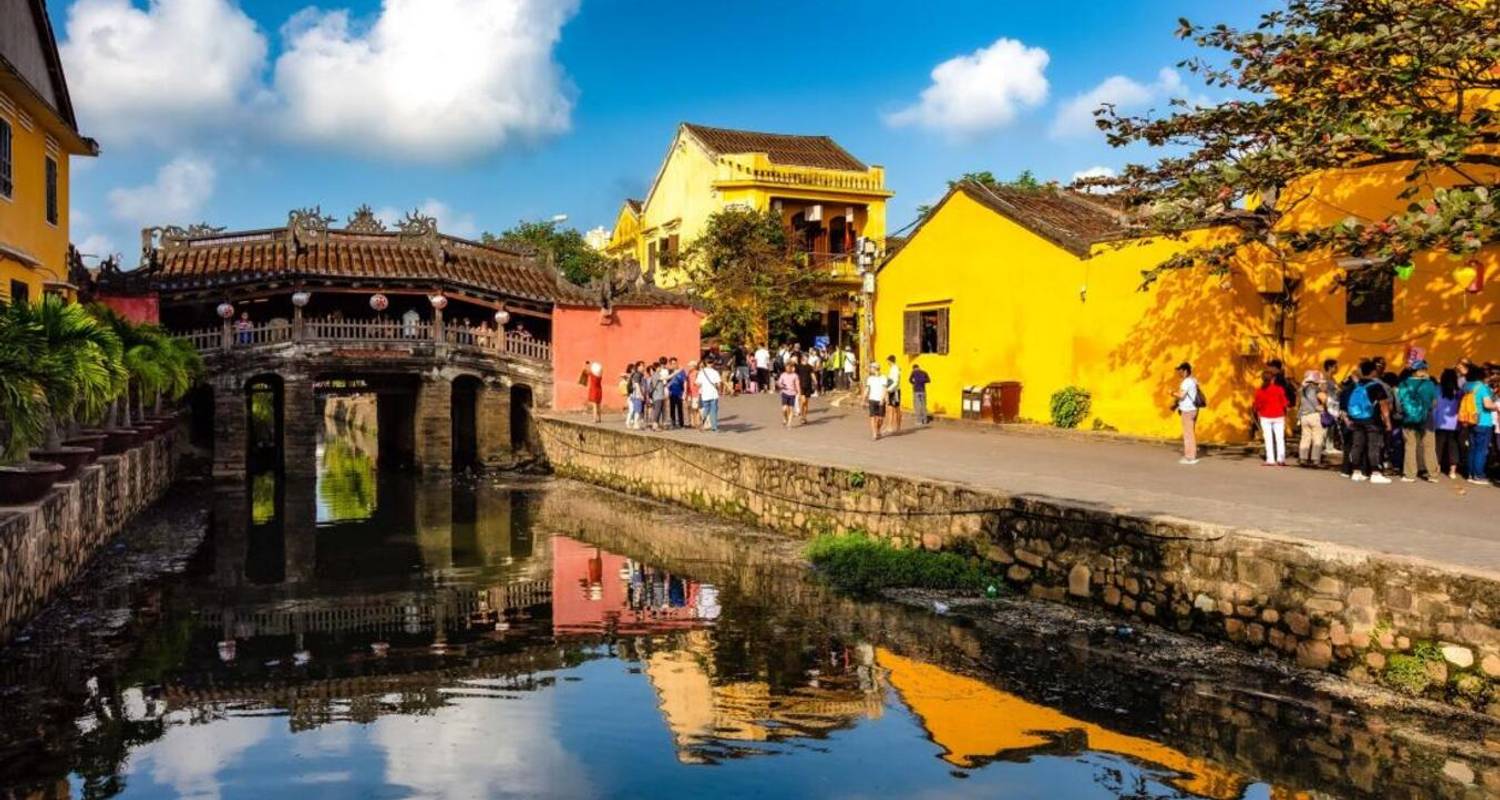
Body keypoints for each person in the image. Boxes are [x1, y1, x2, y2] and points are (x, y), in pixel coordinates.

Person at [1345, 359, 1393, 484]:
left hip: (1356, 419)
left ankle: (1356, 471)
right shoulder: (1376, 386)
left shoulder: (1357, 385)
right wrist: (1387, 422)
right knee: (1373, 446)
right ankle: (1375, 473)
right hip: (1372, 420)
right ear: (1373, 371)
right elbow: (1384, 405)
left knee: (1357, 444)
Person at [1397, 360, 1440, 482]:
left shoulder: (1403, 384)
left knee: (1410, 446)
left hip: (1408, 418)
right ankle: (1433, 475)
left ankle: (1410, 475)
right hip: (1426, 418)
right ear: (1422, 370)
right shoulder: (1430, 384)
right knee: (1429, 446)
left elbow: (1400, 404)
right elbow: (1434, 403)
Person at [1463, 366, 1497, 485]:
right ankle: (1478, 475)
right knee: (1481, 450)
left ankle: (1471, 474)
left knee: (1472, 448)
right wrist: (1496, 407)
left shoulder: (1467, 386)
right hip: (1483, 421)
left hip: (1471, 420)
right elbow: (1487, 405)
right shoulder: (1481, 387)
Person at [1254, 369, 1290, 466]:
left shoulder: (1259, 391)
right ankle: (1281, 459)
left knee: (1268, 439)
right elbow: (1285, 403)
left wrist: (1258, 413)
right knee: (1280, 438)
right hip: (1279, 416)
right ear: (1273, 379)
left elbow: (1257, 406)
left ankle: (1270, 459)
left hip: (1265, 417)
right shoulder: (1279, 389)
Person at [1435, 367, 1464, 479]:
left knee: (1438, 446)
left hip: (1439, 422)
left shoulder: (1437, 389)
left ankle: (1437, 468)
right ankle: (1452, 471)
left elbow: (1434, 406)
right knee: (1453, 446)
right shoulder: (1459, 391)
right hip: (1455, 423)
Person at [1171, 362, 1202, 464]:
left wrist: (1171, 393)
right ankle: (1191, 455)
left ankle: (1190, 456)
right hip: (1194, 409)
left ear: (1185, 371)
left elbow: (1182, 396)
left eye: (1180, 371)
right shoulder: (1193, 380)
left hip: (1188, 410)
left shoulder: (1186, 382)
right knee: (1190, 432)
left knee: (1188, 434)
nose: (1179, 373)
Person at [1297, 370, 1328, 466]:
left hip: (1304, 416)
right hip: (1315, 415)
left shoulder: (1301, 390)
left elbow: (1298, 403)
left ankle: (1303, 458)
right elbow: (1324, 399)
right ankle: (1315, 460)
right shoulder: (1316, 389)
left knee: (1305, 438)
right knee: (1317, 438)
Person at [697, 358, 722, 432]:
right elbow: (718, 384)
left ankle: (702, 423)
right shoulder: (715, 372)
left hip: (705, 394)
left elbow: (698, 383)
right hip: (714, 394)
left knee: (706, 410)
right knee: (713, 411)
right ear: (712, 363)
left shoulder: (701, 372)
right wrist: (719, 390)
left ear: (705, 363)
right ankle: (714, 427)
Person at [864, 365, 887, 441]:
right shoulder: (870, 379)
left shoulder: (883, 378)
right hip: (872, 399)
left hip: (880, 400)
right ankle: (874, 433)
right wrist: (863, 399)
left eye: (871, 368)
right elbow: (867, 389)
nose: (870, 370)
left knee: (881, 418)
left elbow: (884, 389)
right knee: (872, 417)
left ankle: (878, 429)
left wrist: (882, 399)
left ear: (875, 369)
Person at [776, 362, 801, 427]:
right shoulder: (783, 375)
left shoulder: (795, 375)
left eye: (789, 367)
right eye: (786, 368)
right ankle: (785, 418)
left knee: (791, 409)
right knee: (784, 409)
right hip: (785, 393)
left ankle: (789, 423)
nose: (787, 369)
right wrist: (781, 386)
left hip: (792, 394)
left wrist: (799, 393)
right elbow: (779, 382)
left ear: (791, 368)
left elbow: (797, 385)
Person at [794, 354, 816, 422]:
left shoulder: (810, 367)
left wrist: (815, 381)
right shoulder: (798, 366)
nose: (806, 358)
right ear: (802, 358)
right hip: (801, 386)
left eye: (807, 357)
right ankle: (801, 416)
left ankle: (804, 417)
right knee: (803, 401)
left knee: (806, 403)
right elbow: (795, 375)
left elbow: (812, 374)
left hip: (808, 385)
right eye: (805, 357)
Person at [884, 355, 903, 434]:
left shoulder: (895, 369)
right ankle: (890, 426)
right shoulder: (893, 368)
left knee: (896, 409)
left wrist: (888, 390)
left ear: (890, 360)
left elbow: (895, 382)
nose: (887, 363)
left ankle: (897, 427)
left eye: (887, 361)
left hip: (894, 391)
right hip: (892, 391)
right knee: (891, 408)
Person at [667, 357, 687, 429]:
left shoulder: (682, 371)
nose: (674, 365)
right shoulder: (669, 372)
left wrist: (685, 391)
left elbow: (685, 381)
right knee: (672, 409)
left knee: (680, 409)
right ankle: (673, 423)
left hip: (679, 393)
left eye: (675, 363)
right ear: (670, 364)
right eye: (672, 364)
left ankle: (681, 424)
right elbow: (666, 382)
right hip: (671, 393)